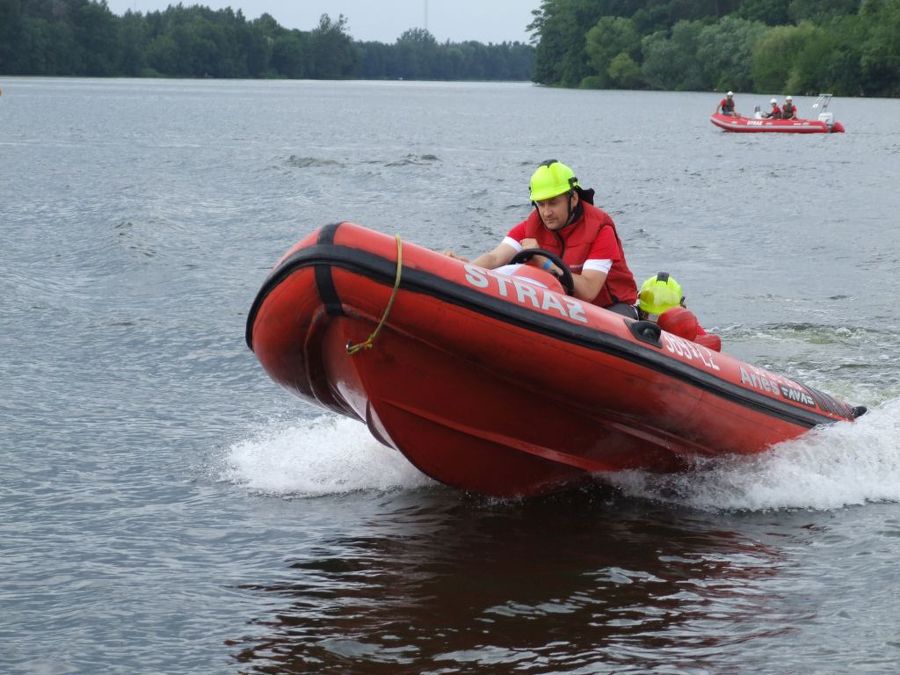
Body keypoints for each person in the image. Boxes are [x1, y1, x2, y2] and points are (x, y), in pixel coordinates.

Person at [445, 160, 639, 318]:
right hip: (566, 308)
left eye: (553, 203)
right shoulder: (532, 225)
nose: (546, 212)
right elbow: (495, 258)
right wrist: (466, 269)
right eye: (541, 204)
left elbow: (588, 291)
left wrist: (543, 261)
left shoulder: (600, 229)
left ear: (573, 199)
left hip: (610, 309)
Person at [637, 272, 721, 351]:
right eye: (652, 316)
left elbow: (709, 345)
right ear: (640, 311)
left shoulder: (685, 324)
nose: (657, 324)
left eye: (661, 318)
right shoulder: (631, 317)